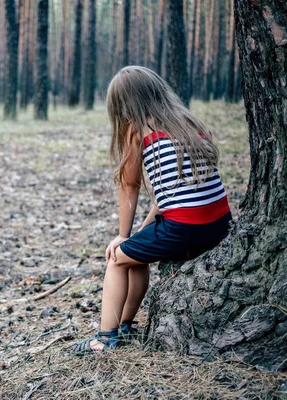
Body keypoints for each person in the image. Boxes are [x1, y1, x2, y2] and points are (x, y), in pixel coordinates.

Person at [73, 66, 232, 354]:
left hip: (185, 228)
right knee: (137, 255)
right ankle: (124, 325)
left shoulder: (137, 128)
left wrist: (123, 236)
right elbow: (173, 196)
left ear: (123, 106)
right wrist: (142, 232)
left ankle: (105, 337)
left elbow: (129, 185)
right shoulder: (185, 122)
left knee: (117, 260)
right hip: (219, 223)